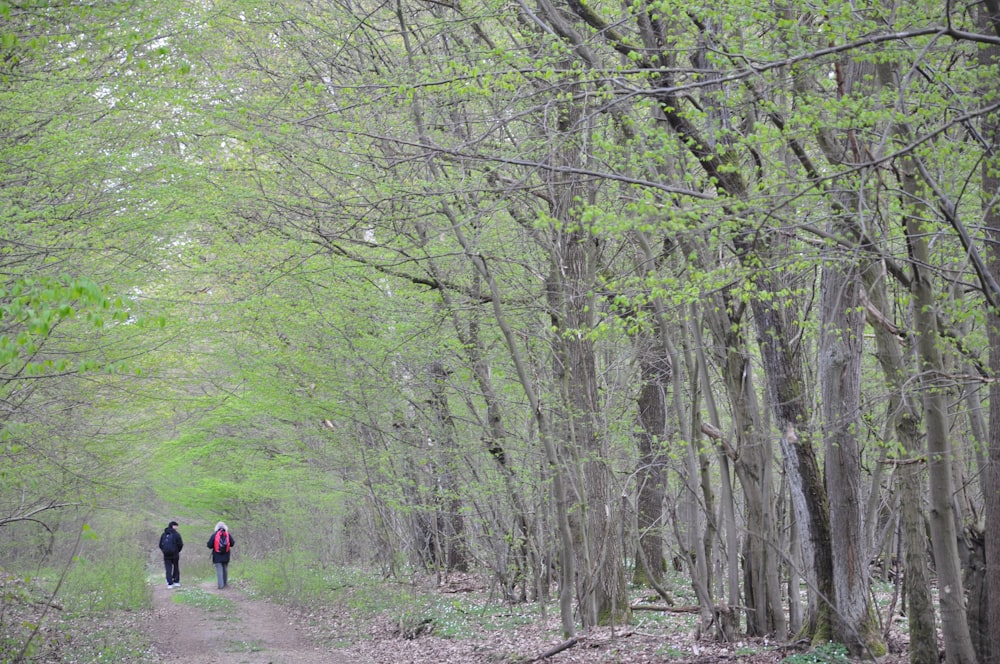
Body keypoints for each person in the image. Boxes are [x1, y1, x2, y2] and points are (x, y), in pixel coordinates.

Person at [207, 521, 235, 589]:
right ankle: (225, 584)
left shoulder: (214, 534)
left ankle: (220, 585)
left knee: (219, 570)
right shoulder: (227, 534)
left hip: (217, 556)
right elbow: (232, 543)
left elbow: (209, 545)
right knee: (225, 569)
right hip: (226, 555)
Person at [158, 521, 184, 588]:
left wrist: (164, 551)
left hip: (166, 554)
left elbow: (160, 545)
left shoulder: (164, 534)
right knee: (176, 567)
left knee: (168, 568)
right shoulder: (176, 534)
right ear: (173, 526)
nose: (177, 527)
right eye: (176, 526)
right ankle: (176, 581)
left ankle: (169, 583)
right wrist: (177, 550)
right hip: (175, 554)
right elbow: (180, 544)